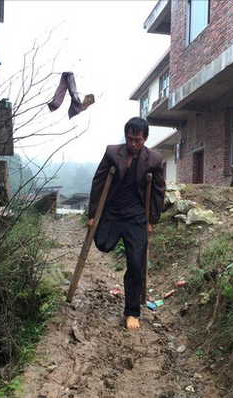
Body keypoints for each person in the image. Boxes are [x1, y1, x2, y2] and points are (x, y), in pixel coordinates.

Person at [87, 117, 166, 331]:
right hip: (111, 212)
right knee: (102, 244)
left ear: (145, 139)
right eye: (130, 139)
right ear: (126, 136)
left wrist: (152, 220)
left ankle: (132, 312)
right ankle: (105, 234)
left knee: (136, 264)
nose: (133, 144)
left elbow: (158, 191)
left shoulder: (155, 160)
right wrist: (93, 214)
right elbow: (99, 182)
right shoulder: (112, 153)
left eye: (138, 140)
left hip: (136, 217)